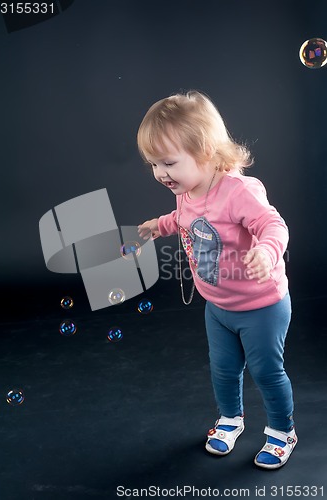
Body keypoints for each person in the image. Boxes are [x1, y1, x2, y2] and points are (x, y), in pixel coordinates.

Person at [137, 90, 297, 469]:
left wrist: (267, 251)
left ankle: (280, 431)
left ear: (206, 152)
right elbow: (185, 220)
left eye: (169, 163)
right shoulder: (187, 190)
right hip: (218, 306)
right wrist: (161, 226)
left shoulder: (239, 191)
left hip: (261, 307)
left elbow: (272, 224)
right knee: (223, 369)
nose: (161, 174)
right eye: (153, 165)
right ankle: (230, 419)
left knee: (266, 371)